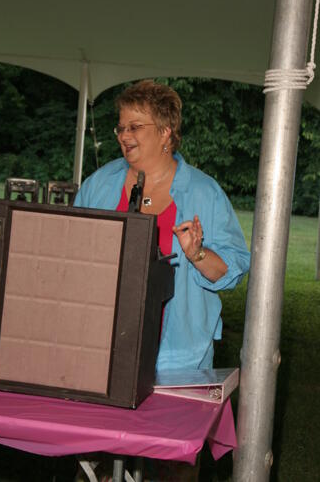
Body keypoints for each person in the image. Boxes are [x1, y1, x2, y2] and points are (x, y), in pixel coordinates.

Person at [74, 80, 250, 373]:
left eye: (135, 127)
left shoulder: (204, 193)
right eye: (121, 128)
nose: (124, 136)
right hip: (99, 348)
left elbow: (234, 270)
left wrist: (198, 254)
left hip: (176, 358)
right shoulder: (100, 184)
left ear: (165, 131)